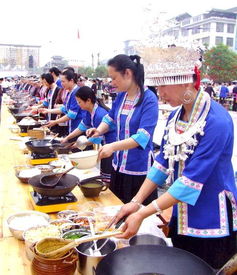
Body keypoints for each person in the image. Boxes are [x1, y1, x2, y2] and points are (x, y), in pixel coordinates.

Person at [113, 47, 237, 269]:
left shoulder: (217, 121)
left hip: (211, 218)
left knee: (202, 268)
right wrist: (135, 202)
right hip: (180, 211)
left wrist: (143, 213)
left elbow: (191, 181)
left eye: (163, 85)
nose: (159, 92)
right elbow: (162, 163)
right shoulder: (174, 115)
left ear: (185, 82)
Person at [87, 54, 159, 205]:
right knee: (116, 208)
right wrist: (98, 130)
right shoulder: (121, 96)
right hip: (118, 166)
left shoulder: (149, 99)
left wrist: (112, 146)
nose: (112, 82)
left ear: (127, 73)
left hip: (139, 170)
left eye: (114, 78)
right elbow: (110, 118)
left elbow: (142, 137)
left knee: (138, 217)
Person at [61, 86, 116, 181]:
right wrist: (67, 138)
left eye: (79, 102)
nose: (78, 105)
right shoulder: (88, 111)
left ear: (88, 100)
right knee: (104, 173)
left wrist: (79, 144)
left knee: (108, 175)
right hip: (104, 145)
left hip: (111, 146)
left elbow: (97, 138)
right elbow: (81, 127)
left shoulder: (100, 114)